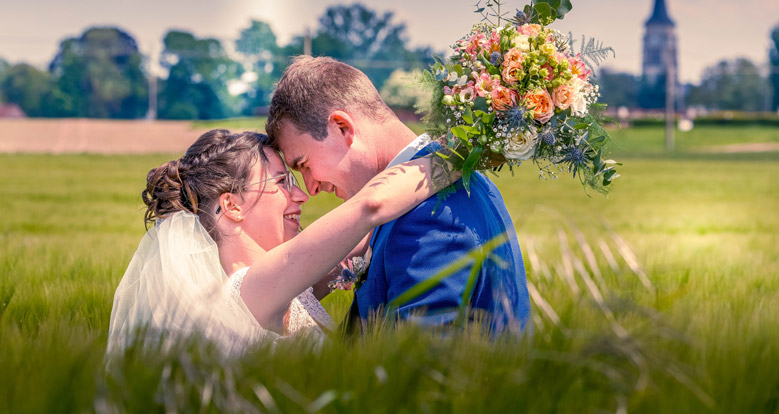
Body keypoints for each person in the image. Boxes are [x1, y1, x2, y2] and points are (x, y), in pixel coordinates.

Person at [107, 129, 455, 356]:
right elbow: (371, 207)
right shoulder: (250, 291)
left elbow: (364, 242)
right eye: (281, 182)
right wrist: (464, 150)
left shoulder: (287, 288)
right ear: (232, 206)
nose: (301, 195)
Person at [266, 56, 531, 332]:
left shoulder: (428, 214)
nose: (311, 188)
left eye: (304, 164)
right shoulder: (461, 179)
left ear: (341, 126)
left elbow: (416, 367)